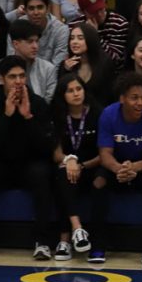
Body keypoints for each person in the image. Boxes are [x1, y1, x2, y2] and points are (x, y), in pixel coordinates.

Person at [0, 55, 56, 261]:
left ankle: (42, 241)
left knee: (42, 173)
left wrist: (28, 117)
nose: (19, 81)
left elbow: (46, 148)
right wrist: (7, 117)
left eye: (22, 76)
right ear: (2, 79)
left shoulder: (37, 104)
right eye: (13, 77)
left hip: (29, 165)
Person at [95, 72, 142, 268]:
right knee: (98, 182)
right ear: (122, 99)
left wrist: (134, 168)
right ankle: (98, 244)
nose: (140, 103)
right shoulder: (108, 114)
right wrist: (119, 169)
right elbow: (104, 154)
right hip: (116, 167)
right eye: (134, 98)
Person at [50, 72, 98, 260]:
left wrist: (81, 166)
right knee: (62, 176)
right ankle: (75, 230)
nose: (76, 93)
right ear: (63, 95)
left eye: (79, 89)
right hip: (68, 168)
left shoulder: (97, 113)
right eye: (70, 91)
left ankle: (66, 238)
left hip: (91, 167)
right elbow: (56, 153)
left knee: (67, 177)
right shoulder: (57, 115)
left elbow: (104, 154)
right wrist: (69, 160)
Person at [0, 19, 57, 103]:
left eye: (37, 41)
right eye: (30, 42)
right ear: (15, 44)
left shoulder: (48, 69)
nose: (35, 46)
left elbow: (47, 103)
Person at [70, 0, 130, 68]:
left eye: (101, 9)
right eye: (93, 12)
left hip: (112, 73)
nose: (100, 14)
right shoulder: (74, 26)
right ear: (82, 12)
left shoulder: (119, 23)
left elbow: (114, 60)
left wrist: (95, 35)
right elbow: (73, 57)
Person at [57, 22, 115, 104]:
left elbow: (109, 94)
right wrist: (65, 70)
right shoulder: (66, 65)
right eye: (72, 38)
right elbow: (60, 95)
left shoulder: (105, 62)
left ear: (90, 39)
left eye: (80, 38)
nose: (74, 42)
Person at [18, 0, 68, 66]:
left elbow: (58, 66)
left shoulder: (61, 30)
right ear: (25, 10)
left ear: (48, 8)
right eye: (31, 8)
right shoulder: (18, 27)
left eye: (40, 7)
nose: (36, 12)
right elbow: (12, 61)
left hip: (52, 76)